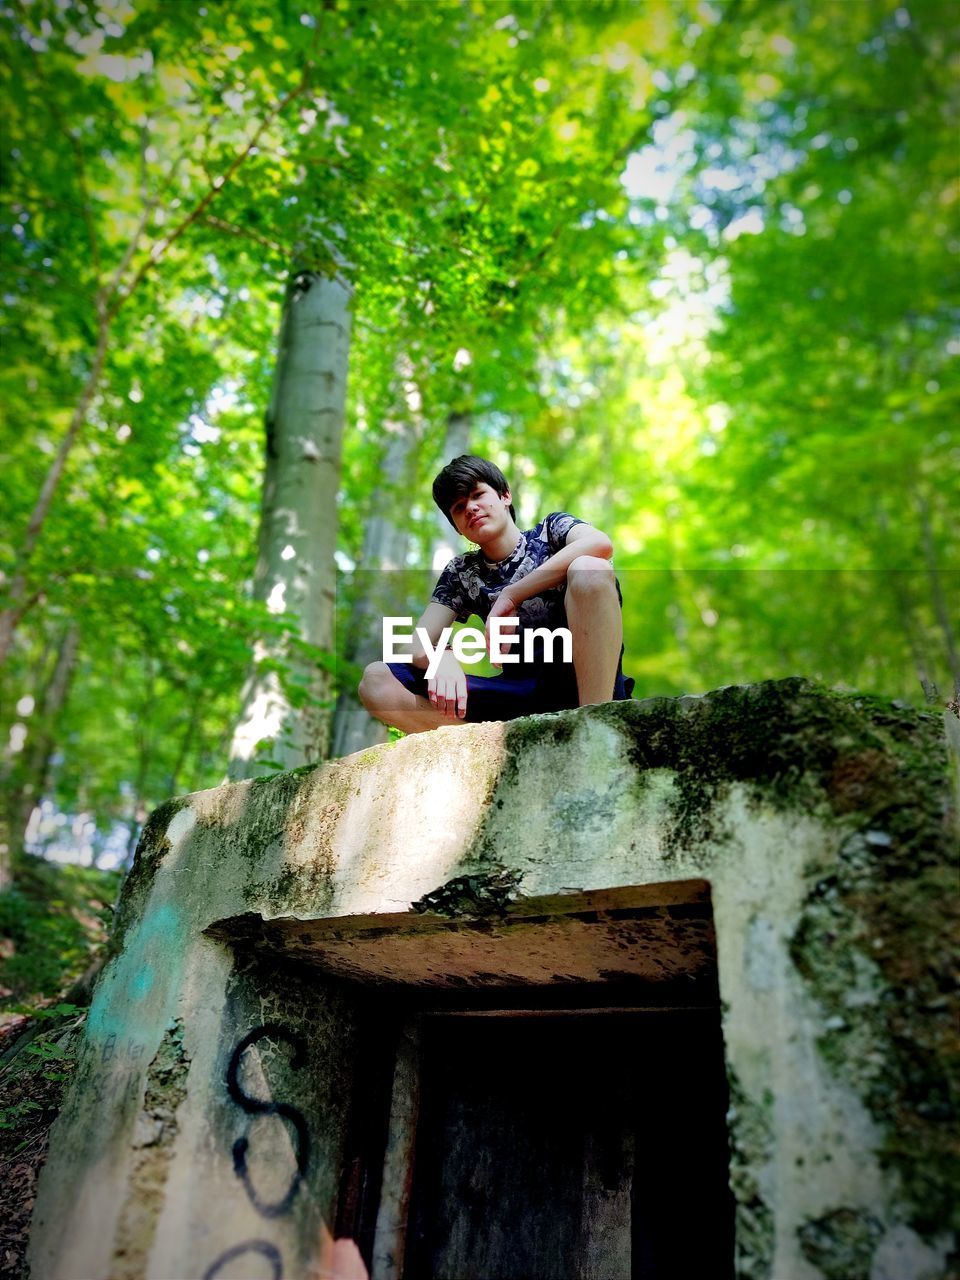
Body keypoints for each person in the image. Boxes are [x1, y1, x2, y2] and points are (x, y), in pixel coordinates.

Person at [358, 455, 632, 734]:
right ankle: (489, 745)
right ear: (456, 525)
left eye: (478, 495)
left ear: (505, 496)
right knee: (376, 681)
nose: (471, 508)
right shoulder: (462, 572)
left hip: (582, 682)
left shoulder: (552, 531)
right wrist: (442, 656)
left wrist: (511, 595)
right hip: (517, 695)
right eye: (459, 506)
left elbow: (599, 544)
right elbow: (414, 645)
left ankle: (594, 728)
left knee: (590, 568)